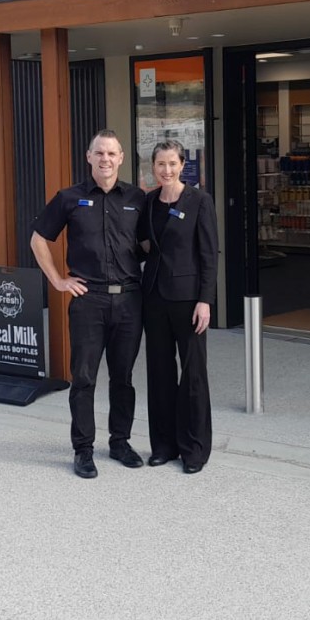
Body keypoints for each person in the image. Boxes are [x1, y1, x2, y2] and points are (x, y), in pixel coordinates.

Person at [31, 130, 147, 479]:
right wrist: (58, 280)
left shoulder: (138, 198)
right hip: (88, 300)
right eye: (99, 153)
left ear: (121, 157)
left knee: (123, 378)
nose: (106, 159)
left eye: (112, 153)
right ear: (89, 156)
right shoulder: (69, 198)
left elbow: (150, 245)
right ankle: (83, 450)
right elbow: (39, 239)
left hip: (129, 299)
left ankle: (120, 442)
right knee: (83, 378)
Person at [138, 139, 218, 474]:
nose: (166, 170)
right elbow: (142, 245)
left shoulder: (199, 200)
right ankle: (164, 446)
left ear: (182, 164)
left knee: (193, 374)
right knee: (159, 373)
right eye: (160, 164)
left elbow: (209, 254)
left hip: (188, 300)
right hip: (154, 297)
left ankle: (194, 449)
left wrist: (205, 300)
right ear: (152, 167)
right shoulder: (149, 202)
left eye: (172, 164)